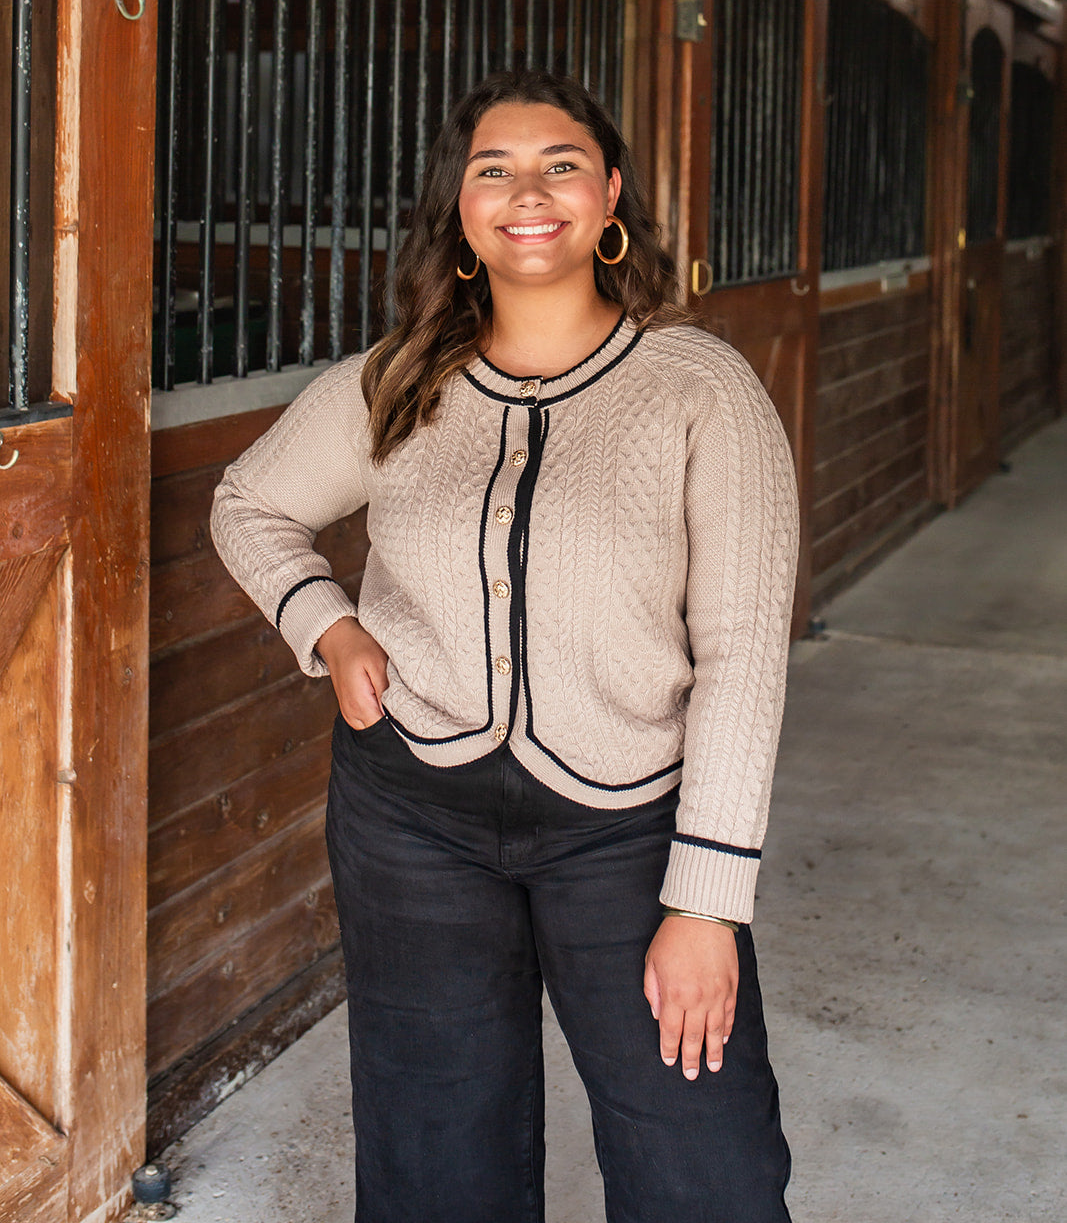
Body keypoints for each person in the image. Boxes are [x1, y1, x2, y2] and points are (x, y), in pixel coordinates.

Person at [211, 68, 799, 1223]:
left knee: (701, 1162)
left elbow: (741, 653)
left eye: (560, 164)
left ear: (610, 193)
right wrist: (323, 625)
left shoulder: (699, 389)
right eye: (494, 169)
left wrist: (707, 901)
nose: (528, 191)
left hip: (628, 828)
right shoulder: (394, 380)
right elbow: (247, 505)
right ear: (462, 209)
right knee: (435, 1149)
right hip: (408, 815)